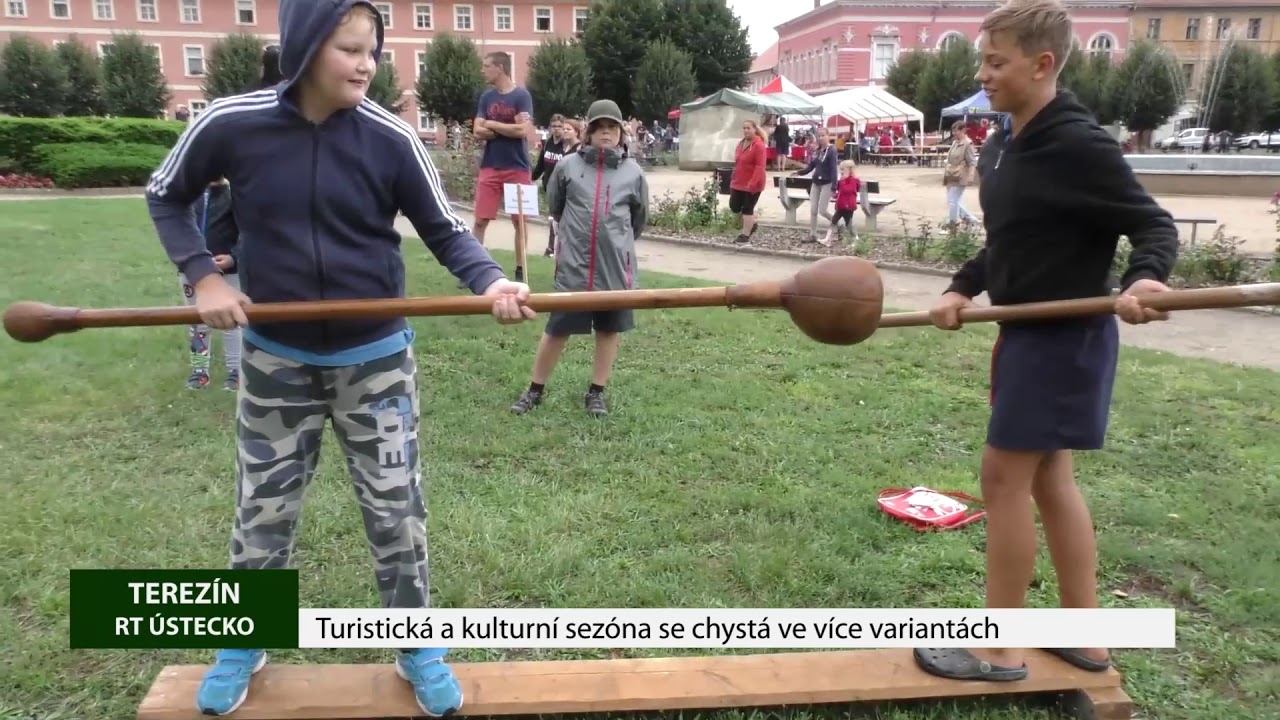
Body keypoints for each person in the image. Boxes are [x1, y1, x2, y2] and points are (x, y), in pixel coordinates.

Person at [143, 1, 534, 716]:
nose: (365, 64)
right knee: (263, 509)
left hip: (376, 362)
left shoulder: (390, 137)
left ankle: (415, 642)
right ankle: (246, 636)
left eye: (371, 51)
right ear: (302, 47)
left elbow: (444, 228)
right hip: (274, 359)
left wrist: (490, 280)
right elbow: (166, 195)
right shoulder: (230, 123)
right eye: (349, 49)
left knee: (396, 510)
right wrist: (203, 275)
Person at [913, 0, 1178, 683]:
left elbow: (1153, 227)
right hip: (1024, 334)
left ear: (1043, 63)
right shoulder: (1004, 144)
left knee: (1004, 477)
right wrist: (960, 288)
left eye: (996, 62)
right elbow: (1008, 243)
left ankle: (999, 649)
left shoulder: (1079, 145)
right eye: (983, 60)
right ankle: (1083, 638)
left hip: (1065, 339)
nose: (984, 74)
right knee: (1049, 479)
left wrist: (1146, 280)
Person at [509, 100, 649, 418]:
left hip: (615, 269)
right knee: (557, 329)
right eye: (598, 127)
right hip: (574, 267)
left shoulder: (633, 172)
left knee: (608, 330)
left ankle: (596, 392)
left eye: (611, 127)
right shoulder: (567, 167)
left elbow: (638, 220)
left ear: (621, 133)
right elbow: (556, 207)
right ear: (587, 132)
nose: (605, 133)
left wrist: (616, 244)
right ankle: (535, 389)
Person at [179, 179, 242, 391]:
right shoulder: (190, 196)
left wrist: (233, 258)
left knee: (231, 321)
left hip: (228, 272)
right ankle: (199, 371)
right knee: (197, 322)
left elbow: (248, 234)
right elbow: (177, 230)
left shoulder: (236, 196)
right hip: (191, 272)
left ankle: (236, 371)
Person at [472, 52, 534, 256]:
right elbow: (477, 131)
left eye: (486, 66)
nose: (482, 70)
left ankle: (519, 269)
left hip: (518, 167)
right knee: (480, 220)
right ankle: (474, 267)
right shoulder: (486, 97)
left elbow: (523, 131)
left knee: (520, 221)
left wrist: (491, 124)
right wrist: (508, 127)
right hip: (490, 166)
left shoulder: (522, 96)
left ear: (499, 68)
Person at [531, 113, 568, 257]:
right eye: (554, 126)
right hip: (549, 187)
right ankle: (552, 247)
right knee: (553, 219)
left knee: (557, 219)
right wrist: (532, 178)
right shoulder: (547, 144)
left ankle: (553, 248)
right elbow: (541, 164)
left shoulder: (566, 146)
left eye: (560, 126)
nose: (557, 129)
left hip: (562, 188)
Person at [792, 128, 837, 243]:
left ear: (828, 136)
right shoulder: (817, 151)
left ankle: (839, 224)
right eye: (819, 136)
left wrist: (834, 186)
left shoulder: (831, 151)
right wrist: (799, 172)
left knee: (822, 210)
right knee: (813, 210)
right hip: (816, 182)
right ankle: (812, 234)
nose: (821, 138)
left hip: (827, 183)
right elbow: (811, 166)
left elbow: (833, 169)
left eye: (823, 135)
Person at [729, 119, 767, 244]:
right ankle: (752, 224)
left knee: (747, 209)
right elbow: (738, 163)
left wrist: (753, 182)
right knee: (734, 206)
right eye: (744, 128)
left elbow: (760, 167)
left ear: (754, 129)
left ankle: (745, 235)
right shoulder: (740, 143)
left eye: (748, 128)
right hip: (738, 181)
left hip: (753, 183)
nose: (746, 131)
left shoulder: (759, 145)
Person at [943, 120, 980, 227]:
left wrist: (971, 175)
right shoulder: (955, 143)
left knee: (953, 201)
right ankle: (971, 220)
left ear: (963, 130)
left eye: (956, 131)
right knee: (953, 200)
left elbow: (972, 161)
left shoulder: (968, 144)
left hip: (961, 175)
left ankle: (952, 223)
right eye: (953, 131)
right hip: (951, 174)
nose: (954, 134)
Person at [821, 160, 860, 247]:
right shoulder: (843, 180)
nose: (841, 172)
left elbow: (848, 190)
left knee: (848, 223)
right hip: (841, 204)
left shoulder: (854, 180)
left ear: (850, 170)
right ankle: (828, 239)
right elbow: (841, 191)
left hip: (848, 206)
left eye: (843, 169)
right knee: (834, 220)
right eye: (841, 169)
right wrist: (835, 194)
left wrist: (842, 181)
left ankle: (856, 238)